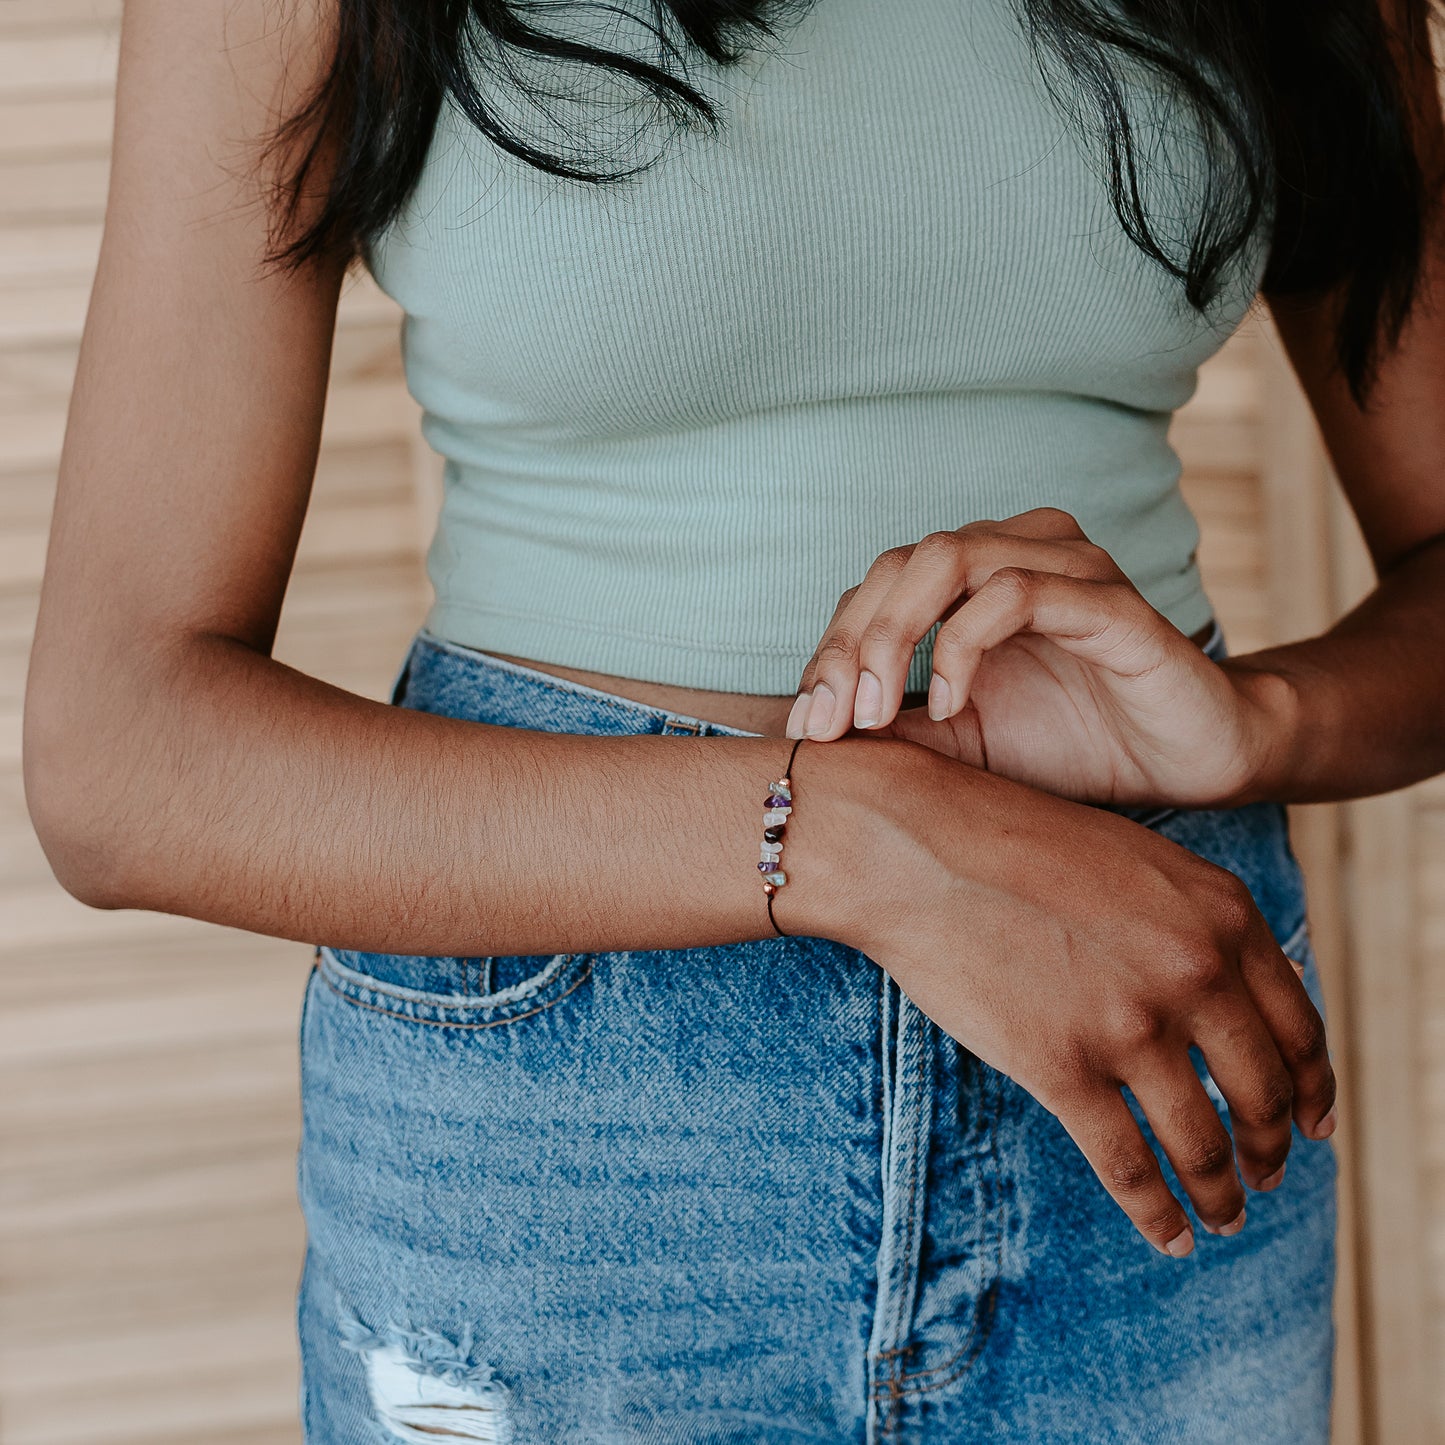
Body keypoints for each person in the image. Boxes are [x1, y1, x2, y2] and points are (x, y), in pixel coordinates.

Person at [23, 0, 1444, 1439]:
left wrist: (1254, 721)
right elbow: (121, 752)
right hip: (567, 1117)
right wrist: (846, 840)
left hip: (1151, 1044)